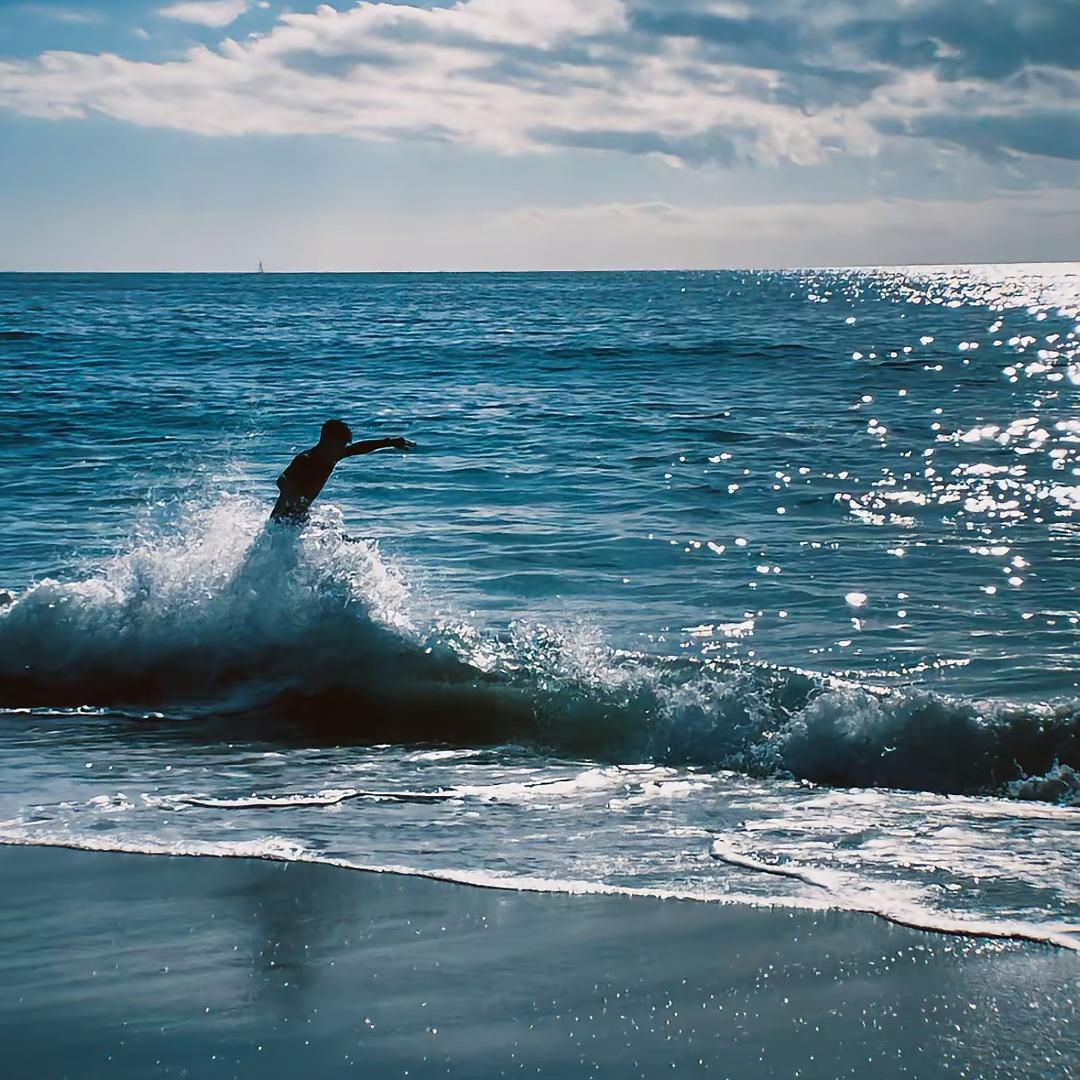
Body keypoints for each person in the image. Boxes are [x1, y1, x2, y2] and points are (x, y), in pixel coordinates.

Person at [270, 419, 415, 524]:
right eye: (341, 444)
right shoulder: (306, 459)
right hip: (281, 519)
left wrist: (389, 442)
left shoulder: (332, 456)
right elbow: (282, 480)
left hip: (298, 518)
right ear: (328, 441)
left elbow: (359, 448)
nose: (343, 449)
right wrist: (294, 499)